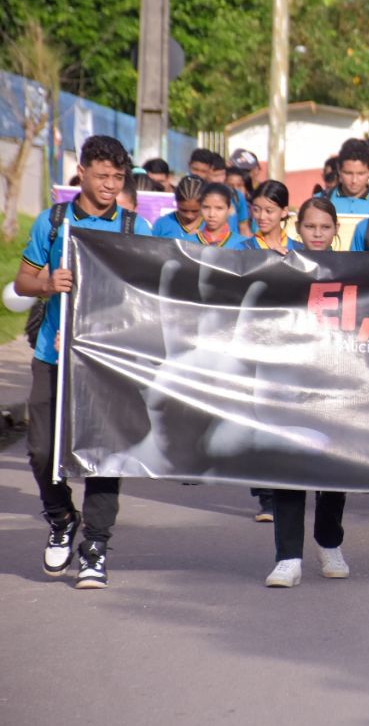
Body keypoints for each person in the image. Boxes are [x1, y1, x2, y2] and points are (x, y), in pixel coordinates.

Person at [13, 135, 153, 589]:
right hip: (53, 353)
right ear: (84, 173)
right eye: (102, 175)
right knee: (39, 449)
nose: (111, 184)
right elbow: (23, 281)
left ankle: (95, 544)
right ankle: (60, 518)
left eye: (118, 177)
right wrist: (48, 284)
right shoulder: (53, 222)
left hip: (110, 360)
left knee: (103, 453)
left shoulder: (135, 230)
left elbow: (155, 292)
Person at [263, 196, 351, 587]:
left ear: (336, 231)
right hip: (290, 381)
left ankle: (329, 542)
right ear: (298, 228)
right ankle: (288, 557)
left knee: (334, 470)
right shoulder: (281, 266)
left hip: (336, 382)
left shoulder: (354, 270)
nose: (317, 233)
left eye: (325, 227)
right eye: (311, 227)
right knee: (287, 465)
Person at [189, 149, 248, 236]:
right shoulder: (192, 194)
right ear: (208, 172)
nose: (219, 179)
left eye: (222, 174)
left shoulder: (236, 196)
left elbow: (244, 227)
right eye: (215, 175)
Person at [234, 180, 302, 252]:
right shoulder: (242, 249)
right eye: (256, 210)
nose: (262, 217)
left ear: (284, 211)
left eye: (269, 211)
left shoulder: (299, 250)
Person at [326, 138, 369, 215]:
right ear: (339, 169)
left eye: (360, 174)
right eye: (348, 173)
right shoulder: (321, 200)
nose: (354, 180)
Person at [152, 176, 206, 241]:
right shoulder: (162, 224)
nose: (189, 216)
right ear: (176, 202)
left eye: (195, 211)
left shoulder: (211, 226)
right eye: (183, 210)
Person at [195, 183, 239, 248]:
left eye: (219, 208)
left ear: (229, 209)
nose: (211, 214)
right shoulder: (188, 243)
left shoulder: (241, 244)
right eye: (206, 207)